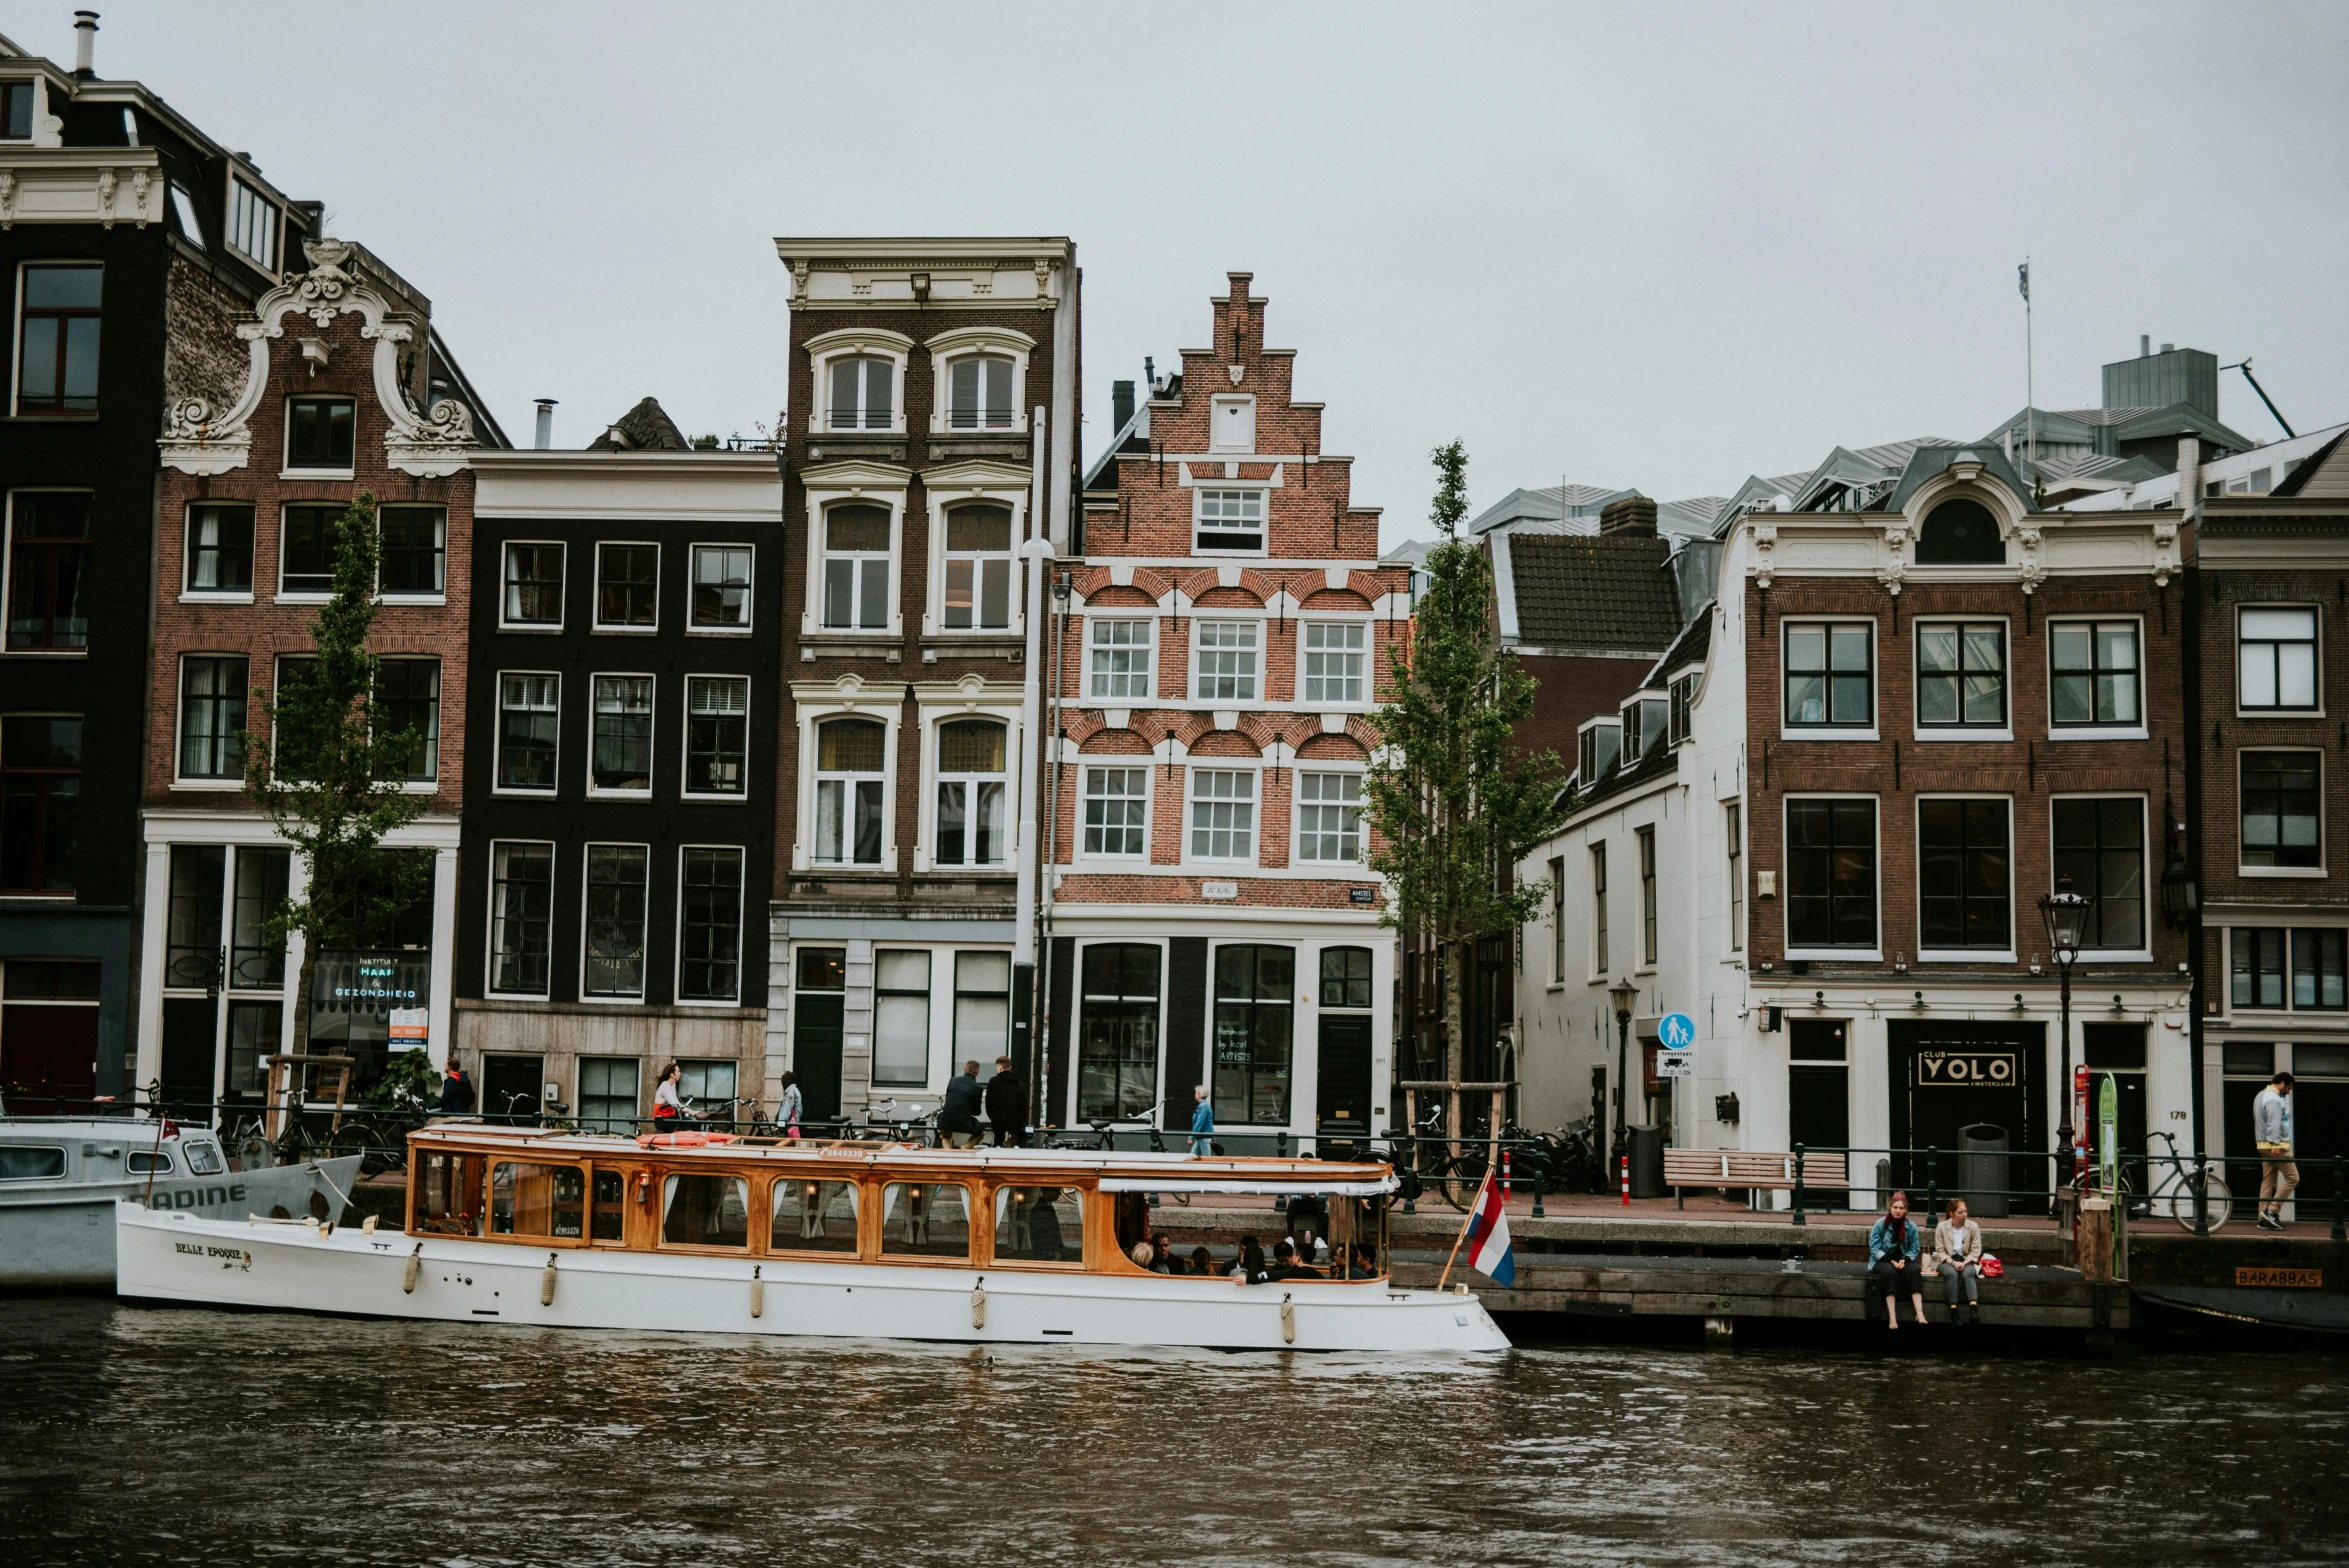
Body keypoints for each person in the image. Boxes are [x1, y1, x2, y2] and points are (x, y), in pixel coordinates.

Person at [1869, 1190, 1928, 1329]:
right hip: (1882, 1261)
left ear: (1906, 1210)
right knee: (1890, 1273)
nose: (1898, 1211)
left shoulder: (1911, 1226)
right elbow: (1874, 1249)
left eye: (1901, 1208)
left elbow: (1914, 1248)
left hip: (1902, 1260)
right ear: (1890, 1208)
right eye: (1895, 1207)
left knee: (1914, 1270)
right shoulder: (1880, 1224)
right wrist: (1892, 1261)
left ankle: (1919, 1313)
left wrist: (1905, 1260)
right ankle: (1892, 1318)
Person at [1930, 1198, 1984, 1324]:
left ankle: (1973, 1309)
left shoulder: (1973, 1226)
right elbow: (1940, 1250)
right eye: (1960, 1212)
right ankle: (1954, 1312)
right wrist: (1953, 1263)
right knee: (1951, 1274)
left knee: (1968, 1273)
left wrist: (1964, 1263)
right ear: (1952, 1213)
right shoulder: (1941, 1227)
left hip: (1966, 1260)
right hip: (1947, 1261)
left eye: (1965, 1211)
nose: (1964, 1215)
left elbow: (1976, 1250)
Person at [2255, 1071, 2298, 1231]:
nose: (2289, 1091)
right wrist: (2275, 1144)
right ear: (2282, 1083)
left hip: (2262, 1146)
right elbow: (2273, 1122)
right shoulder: (2273, 1099)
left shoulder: (2261, 1096)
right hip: (2275, 1147)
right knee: (2293, 1177)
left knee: (2267, 1181)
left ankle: (2262, 1219)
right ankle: (2272, 1211)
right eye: (2289, 1087)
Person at [940, 1060, 984, 1149]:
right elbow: (976, 1112)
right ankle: (966, 1147)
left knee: (945, 1134)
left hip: (946, 1120)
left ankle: (947, 1151)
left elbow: (949, 1098)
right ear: (977, 1072)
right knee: (980, 1132)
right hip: (964, 1121)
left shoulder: (952, 1080)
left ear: (965, 1069)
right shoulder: (977, 1088)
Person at [985, 1056, 1026, 1147]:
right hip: (1016, 1121)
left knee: (998, 1140)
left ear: (999, 1067)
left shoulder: (993, 1082)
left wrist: (993, 1117)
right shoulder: (1019, 1083)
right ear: (1010, 1067)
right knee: (1019, 1140)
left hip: (998, 1120)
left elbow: (989, 1103)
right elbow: (1024, 1105)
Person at [776, 1070, 803, 1140]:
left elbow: (787, 1108)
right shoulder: (795, 1090)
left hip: (788, 1125)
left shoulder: (790, 1092)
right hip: (792, 1124)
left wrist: (781, 1123)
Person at [1190, 1084, 1215, 1157]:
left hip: (1204, 1138)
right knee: (1192, 1157)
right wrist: (1213, 1137)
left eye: (1196, 1092)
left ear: (1200, 1094)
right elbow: (1209, 1123)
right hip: (1201, 1137)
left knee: (1207, 1160)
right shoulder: (1204, 1106)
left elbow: (1199, 1123)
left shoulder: (1203, 1107)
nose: (1194, 1094)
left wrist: (1191, 1137)